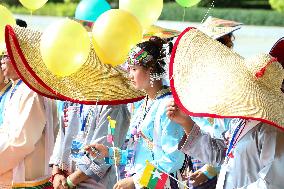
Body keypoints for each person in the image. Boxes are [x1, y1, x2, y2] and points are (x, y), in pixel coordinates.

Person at [166, 27, 284, 188]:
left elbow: (274, 182)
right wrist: (186, 123)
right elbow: (221, 155)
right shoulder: (241, 118)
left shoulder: (272, 129)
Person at [86, 36, 186, 189]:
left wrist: (136, 181)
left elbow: (174, 159)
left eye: (134, 69)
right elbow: (137, 155)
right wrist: (108, 154)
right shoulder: (144, 103)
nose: (129, 75)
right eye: (129, 69)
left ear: (150, 70)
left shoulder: (169, 105)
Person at [0, 48, 58, 188]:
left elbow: (22, 141)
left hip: (26, 180)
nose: (1, 61)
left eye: (5, 56)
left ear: (19, 58)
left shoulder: (31, 91)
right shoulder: (20, 88)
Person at [49, 102, 130, 189]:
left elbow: (101, 157)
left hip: (92, 185)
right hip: (65, 178)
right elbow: (61, 137)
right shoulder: (71, 99)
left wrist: (68, 182)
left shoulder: (113, 105)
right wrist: (56, 173)